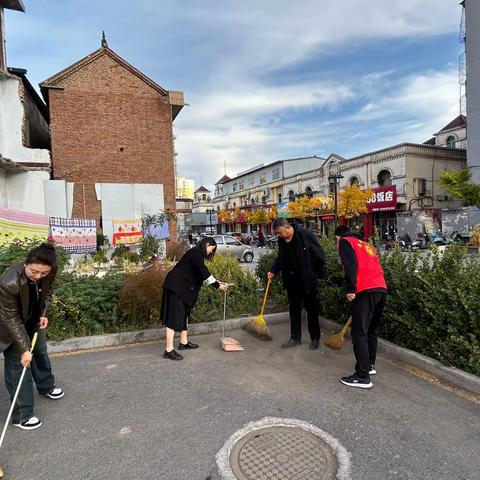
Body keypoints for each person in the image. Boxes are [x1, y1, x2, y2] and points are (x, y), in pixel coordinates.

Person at [0, 243, 64, 431]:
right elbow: (11, 319)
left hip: (34, 317)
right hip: (9, 326)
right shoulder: (8, 282)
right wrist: (23, 349)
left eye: (43, 274)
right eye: (34, 271)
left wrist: (44, 312)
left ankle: (45, 385)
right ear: (26, 263)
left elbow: (48, 292)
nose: (38, 276)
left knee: (40, 351)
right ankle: (21, 415)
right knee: (19, 364)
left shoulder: (49, 270)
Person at [335, 225, 387, 389]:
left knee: (359, 333)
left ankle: (362, 376)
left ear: (338, 236)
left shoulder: (345, 241)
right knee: (371, 330)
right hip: (380, 288)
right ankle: (369, 366)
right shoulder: (366, 245)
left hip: (363, 290)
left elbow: (351, 267)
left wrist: (350, 289)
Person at [161, 237, 230, 360]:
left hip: (182, 288)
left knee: (184, 314)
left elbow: (200, 275)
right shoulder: (196, 253)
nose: (210, 252)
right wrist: (217, 285)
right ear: (207, 244)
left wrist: (218, 282)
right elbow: (203, 272)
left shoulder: (196, 254)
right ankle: (168, 350)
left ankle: (183, 342)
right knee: (173, 317)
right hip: (175, 287)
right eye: (211, 249)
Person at [268, 218, 327, 350]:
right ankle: (295, 338)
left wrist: (319, 276)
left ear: (287, 228)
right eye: (277, 233)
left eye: (279, 232)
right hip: (291, 281)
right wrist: (273, 270)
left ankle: (315, 338)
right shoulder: (281, 240)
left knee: (311, 310)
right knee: (294, 310)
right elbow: (280, 257)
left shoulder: (305, 235)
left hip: (307, 280)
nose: (279, 235)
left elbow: (319, 254)